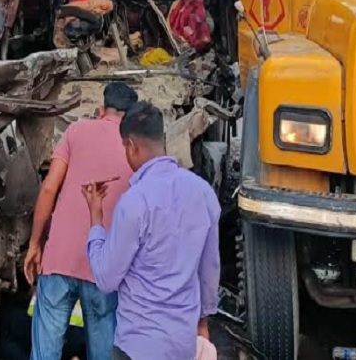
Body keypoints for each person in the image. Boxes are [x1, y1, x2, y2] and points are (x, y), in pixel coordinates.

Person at [83, 102, 221, 360]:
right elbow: (209, 270)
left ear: (132, 146)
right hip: (183, 344)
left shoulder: (135, 202)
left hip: (138, 345)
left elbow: (106, 277)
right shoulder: (203, 193)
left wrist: (96, 219)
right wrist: (202, 324)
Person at [25, 82, 138, 360]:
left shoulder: (76, 131)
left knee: (44, 352)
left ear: (102, 110)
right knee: (102, 352)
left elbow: (49, 188)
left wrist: (35, 244)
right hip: (103, 268)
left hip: (59, 260)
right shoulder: (134, 148)